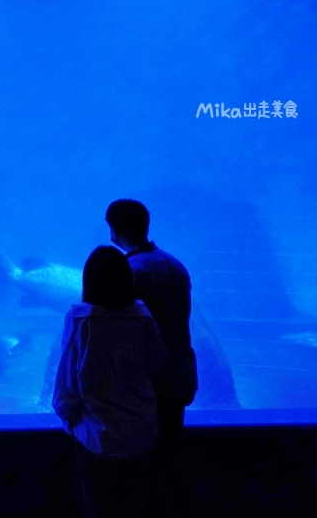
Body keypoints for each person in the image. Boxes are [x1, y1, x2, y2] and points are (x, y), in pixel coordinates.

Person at [54, 245, 169, 518]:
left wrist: (69, 419)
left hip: (97, 438)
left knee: (97, 506)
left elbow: (67, 380)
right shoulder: (142, 317)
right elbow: (158, 364)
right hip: (141, 435)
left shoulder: (82, 320)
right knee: (136, 507)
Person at [106, 198, 197, 517]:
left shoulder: (130, 272)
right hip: (180, 377)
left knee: (143, 472)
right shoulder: (174, 264)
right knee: (171, 463)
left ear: (114, 232)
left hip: (148, 385)